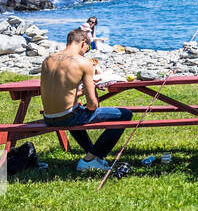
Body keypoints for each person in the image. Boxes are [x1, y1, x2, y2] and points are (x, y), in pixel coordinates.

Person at [39, 28, 134, 173]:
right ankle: (90, 159)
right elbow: (92, 105)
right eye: (87, 49)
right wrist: (92, 87)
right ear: (83, 42)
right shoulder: (83, 62)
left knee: (77, 111)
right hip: (67, 117)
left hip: (48, 117)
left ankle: (93, 156)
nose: (86, 52)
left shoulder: (48, 60)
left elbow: (63, 92)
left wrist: (81, 91)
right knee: (125, 115)